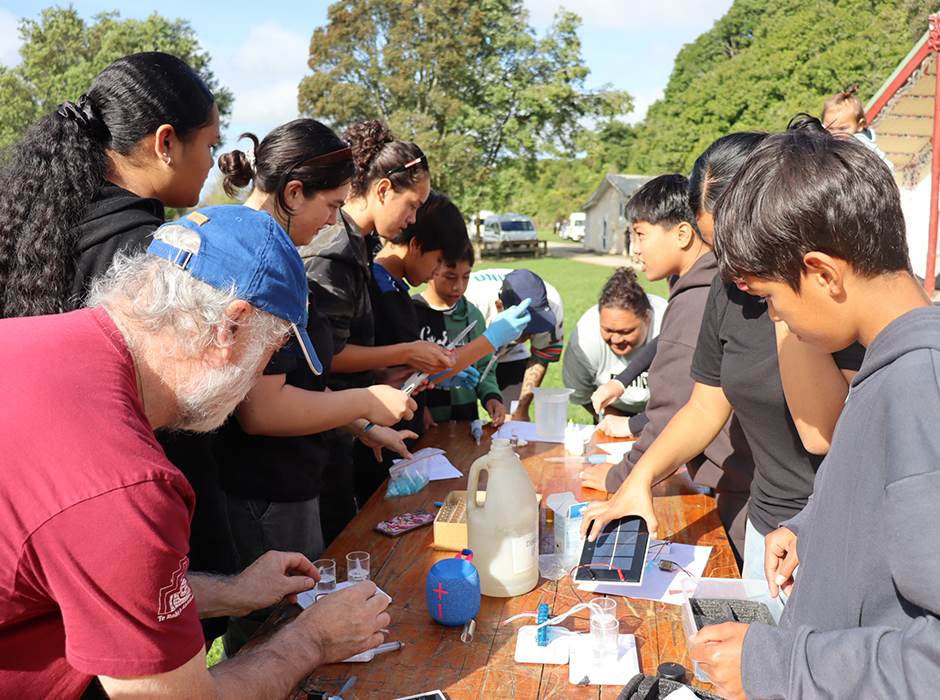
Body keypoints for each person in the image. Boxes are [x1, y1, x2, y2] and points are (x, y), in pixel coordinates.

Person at [0, 205, 390, 699]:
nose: (257, 379)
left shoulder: (21, 336)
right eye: (270, 354)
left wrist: (233, 592)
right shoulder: (126, 484)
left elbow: (89, 580)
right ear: (230, 330)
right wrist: (312, 639)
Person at [688, 124, 940, 700]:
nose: (776, 319)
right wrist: (817, 528)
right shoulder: (892, 369)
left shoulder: (922, 388)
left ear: (824, 273)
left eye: (773, 299)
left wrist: (778, 669)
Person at [0, 51, 237, 642]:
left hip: (42, 521)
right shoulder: (155, 256)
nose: (211, 163)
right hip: (132, 517)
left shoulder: (42, 225)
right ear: (165, 143)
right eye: (208, 144)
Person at [581, 126, 864, 582]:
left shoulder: (827, 287)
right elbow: (703, 406)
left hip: (829, 531)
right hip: (764, 523)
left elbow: (822, 434)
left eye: (734, 245)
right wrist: (640, 478)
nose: (726, 267)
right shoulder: (727, 287)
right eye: (717, 248)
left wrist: (781, 293)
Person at [213, 119, 418, 655]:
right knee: (272, 634)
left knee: (290, 618)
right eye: (330, 206)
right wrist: (367, 401)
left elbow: (299, 376)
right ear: (293, 191)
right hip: (264, 485)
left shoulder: (274, 250)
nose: (335, 220)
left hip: (290, 476)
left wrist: (359, 423)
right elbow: (261, 411)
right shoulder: (258, 259)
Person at [580, 172, 753, 559]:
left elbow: (671, 411)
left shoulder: (697, 298)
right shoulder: (705, 286)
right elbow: (669, 343)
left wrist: (618, 477)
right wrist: (623, 381)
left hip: (742, 493)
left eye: (640, 234)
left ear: (682, 234)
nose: (634, 248)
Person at [301, 119, 452, 541]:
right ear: (383, 189)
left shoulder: (361, 247)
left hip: (349, 423)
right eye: (412, 204)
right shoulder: (333, 251)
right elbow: (326, 355)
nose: (414, 218)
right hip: (322, 431)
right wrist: (406, 353)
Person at [354, 191, 530, 503]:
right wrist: (491, 339)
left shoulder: (388, 286)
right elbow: (417, 371)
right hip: (381, 445)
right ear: (418, 245)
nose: (437, 274)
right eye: (439, 264)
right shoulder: (387, 295)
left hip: (393, 438)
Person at [413, 238, 508, 428]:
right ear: (432, 270)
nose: (459, 286)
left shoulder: (473, 316)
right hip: (420, 424)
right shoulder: (411, 314)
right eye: (450, 277)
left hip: (465, 422)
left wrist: (492, 397)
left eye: (466, 277)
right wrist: (417, 408)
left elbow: (485, 369)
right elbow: (401, 374)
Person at [562, 266, 667, 429]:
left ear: (647, 318)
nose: (616, 339)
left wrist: (636, 425)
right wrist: (614, 420)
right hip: (612, 411)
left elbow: (683, 398)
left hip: (665, 412)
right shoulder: (584, 340)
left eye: (626, 331)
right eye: (608, 330)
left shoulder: (669, 326)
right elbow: (580, 393)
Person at [464, 268, 564, 421]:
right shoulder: (470, 300)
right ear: (499, 307)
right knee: (461, 421)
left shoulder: (552, 302)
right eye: (525, 328)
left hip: (510, 356)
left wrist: (521, 409)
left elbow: (541, 356)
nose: (531, 335)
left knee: (512, 423)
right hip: (465, 357)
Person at [821, 86, 892, 169]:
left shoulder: (862, 143)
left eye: (843, 129)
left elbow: (887, 167)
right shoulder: (822, 135)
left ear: (860, 125)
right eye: (830, 128)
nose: (835, 134)